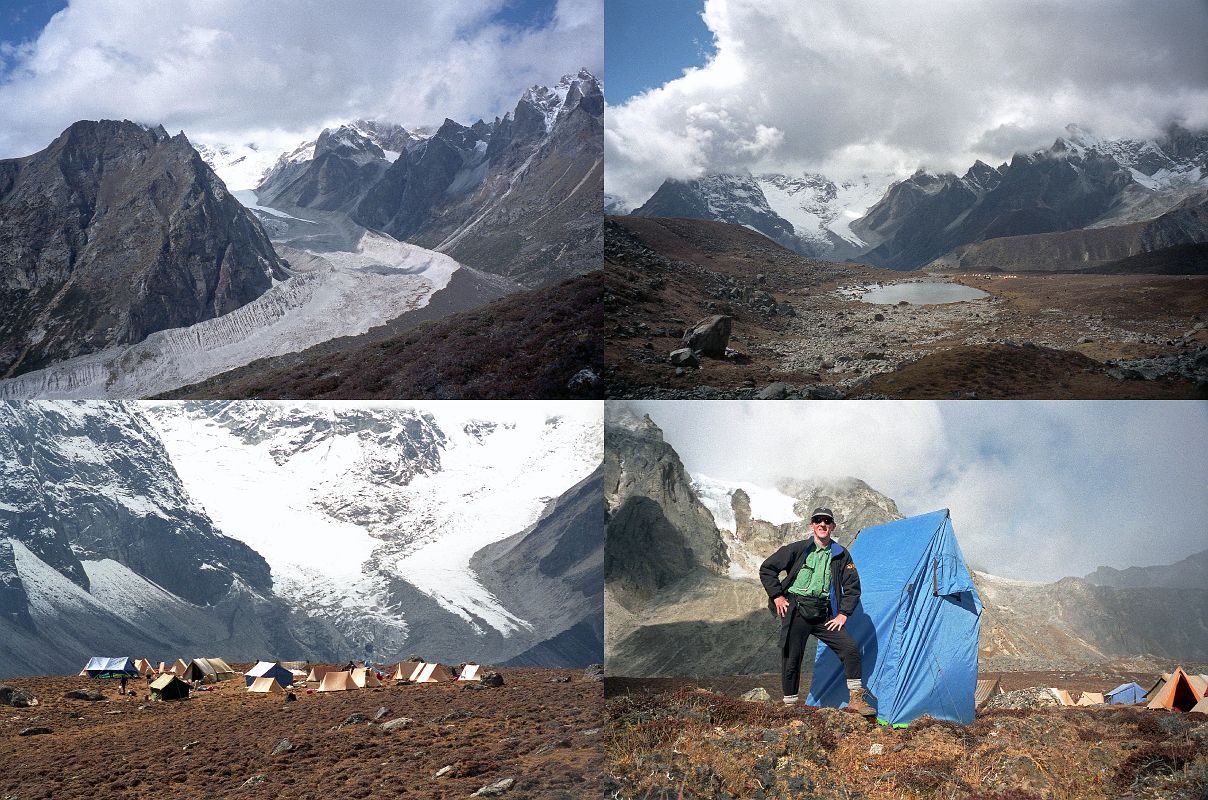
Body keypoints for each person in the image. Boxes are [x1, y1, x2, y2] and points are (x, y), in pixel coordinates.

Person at [759, 507, 875, 716]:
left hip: (824, 613)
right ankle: (790, 707)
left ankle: (856, 699)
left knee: (849, 648)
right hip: (796, 609)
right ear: (811, 525)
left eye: (827, 521)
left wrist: (843, 614)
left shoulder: (841, 554)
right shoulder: (798, 549)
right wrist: (777, 596)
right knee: (791, 657)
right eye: (818, 520)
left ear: (833, 526)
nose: (822, 524)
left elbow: (853, 587)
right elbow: (767, 568)